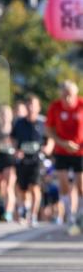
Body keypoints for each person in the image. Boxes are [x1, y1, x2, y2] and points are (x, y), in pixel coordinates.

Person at [45, 80, 83, 234]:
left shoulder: (81, 105)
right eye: (64, 95)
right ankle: (69, 215)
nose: (67, 99)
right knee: (63, 183)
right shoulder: (55, 107)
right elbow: (49, 130)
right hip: (62, 150)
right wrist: (62, 143)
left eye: (70, 95)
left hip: (80, 151)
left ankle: (80, 214)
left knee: (80, 186)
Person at [12, 93, 45, 227]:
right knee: (22, 189)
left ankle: (33, 215)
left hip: (37, 159)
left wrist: (47, 148)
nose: (30, 108)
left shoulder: (43, 123)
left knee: (35, 187)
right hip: (22, 160)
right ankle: (24, 209)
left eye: (33, 105)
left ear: (38, 107)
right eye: (28, 105)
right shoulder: (19, 123)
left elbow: (51, 138)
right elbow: (13, 139)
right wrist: (16, 151)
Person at [0, 104, 17, 222]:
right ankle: (3, 206)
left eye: (7, 114)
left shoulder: (15, 128)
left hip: (11, 159)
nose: (5, 117)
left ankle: (8, 212)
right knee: (1, 187)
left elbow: (18, 144)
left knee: (9, 186)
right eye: (2, 115)